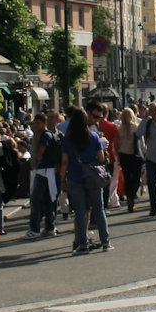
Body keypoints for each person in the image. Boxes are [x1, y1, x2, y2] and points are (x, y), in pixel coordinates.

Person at [61, 106, 112, 254]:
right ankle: (105, 242)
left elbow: (64, 162)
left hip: (75, 176)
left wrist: (62, 179)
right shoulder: (93, 136)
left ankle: (83, 243)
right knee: (98, 209)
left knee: (79, 212)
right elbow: (101, 158)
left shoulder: (68, 139)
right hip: (92, 176)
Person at [22, 112, 61, 239]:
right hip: (49, 171)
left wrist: (36, 153)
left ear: (44, 123)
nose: (36, 126)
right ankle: (50, 227)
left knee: (36, 200)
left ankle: (35, 229)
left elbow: (39, 153)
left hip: (43, 171)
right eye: (35, 123)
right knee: (48, 200)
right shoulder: (50, 135)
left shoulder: (44, 136)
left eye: (38, 123)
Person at [114, 106, 143, 213]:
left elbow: (116, 143)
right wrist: (145, 154)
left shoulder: (120, 129)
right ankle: (132, 196)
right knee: (136, 178)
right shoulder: (136, 128)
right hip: (135, 155)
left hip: (124, 155)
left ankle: (129, 197)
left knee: (127, 178)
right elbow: (141, 143)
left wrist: (118, 153)